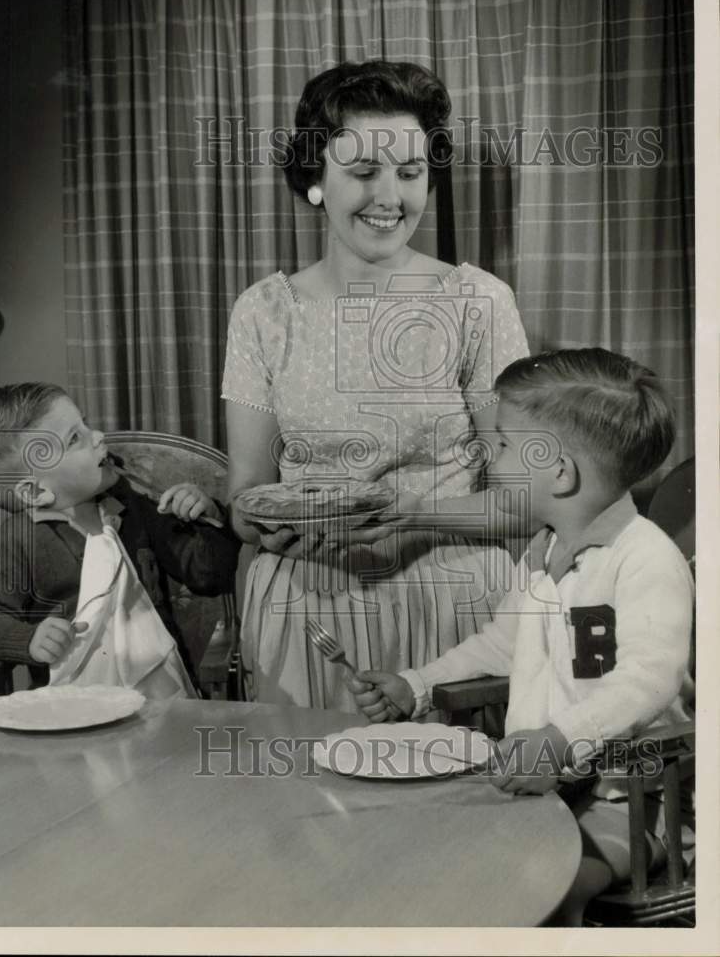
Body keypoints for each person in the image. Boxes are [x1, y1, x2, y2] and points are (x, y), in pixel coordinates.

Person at [222, 60, 530, 711]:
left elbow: (521, 502)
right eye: (363, 172)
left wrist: (407, 520)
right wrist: (257, 524)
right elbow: (245, 495)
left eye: (410, 173)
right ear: (314, 179)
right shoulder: (263, 311)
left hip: (454, 597)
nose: (390, 197)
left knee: (456, 803)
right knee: (307, 806)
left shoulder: (478, 302)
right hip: (306, 605)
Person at [350, 348, 695, 924]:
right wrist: (418, 685)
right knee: (421, 853)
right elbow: (501, 644)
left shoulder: (645, 559)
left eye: (506, 445)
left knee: (543, 889)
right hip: (545, 788)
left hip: (634, 802)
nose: (493, 456)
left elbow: (647, 680)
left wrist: (562, 740)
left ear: (560, 473)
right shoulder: (544, 550)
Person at [0, 383, 240, 698]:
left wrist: (208, 516)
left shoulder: (133, 507)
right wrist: (30, 640)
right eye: (75, 438)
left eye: (85, 423)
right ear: (35, 491)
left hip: (162, 695)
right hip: (73, 708)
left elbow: (209, 576)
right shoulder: (14, 541)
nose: (99, 435)